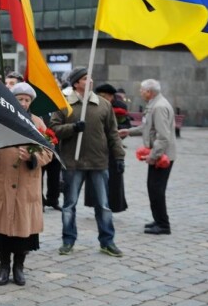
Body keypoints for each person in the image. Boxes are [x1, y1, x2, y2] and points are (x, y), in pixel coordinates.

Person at [0, 82, 53, 286]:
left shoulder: (37, 123)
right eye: (19, 99)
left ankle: (18, 267)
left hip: (26, 185)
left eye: (27, 100)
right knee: (2, 230)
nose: (23, 102)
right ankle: (4, 267)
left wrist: (33, 158)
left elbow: (48, 151)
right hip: (2, 183)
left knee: (24, 230)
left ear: (31, 102)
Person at [49, 67, 125, 257]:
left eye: (90, 77)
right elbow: (53, 129)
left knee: (103, 205)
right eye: (84, 78)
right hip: (73, 163)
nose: (89, 80)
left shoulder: (103, 105)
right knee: (69, 205)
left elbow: (113, 133)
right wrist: (73, 128)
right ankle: (68, 240)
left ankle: (107, 241)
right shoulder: (64, 104)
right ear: (76, 83)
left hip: (98, 162)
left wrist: (119, 156)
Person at [119, 79, 176, 235]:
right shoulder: (155, 104)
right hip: (158, 154)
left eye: (142, 90)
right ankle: (158, 220)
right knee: (153, 189)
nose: (140, 92)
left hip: (161, 156)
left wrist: (153, 155)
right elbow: (146, 127)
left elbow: (163, 136)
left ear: (150, 92)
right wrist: (128, 132)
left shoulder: (159, 107)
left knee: (156, 190)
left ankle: (163, 225)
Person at [86, 83, 129, 213]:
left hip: (112, 148)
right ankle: (96, 203)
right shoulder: (92, 105)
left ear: (111, 97)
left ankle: (113, 205)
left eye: (107, 96)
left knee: (113, 179)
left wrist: (118, 131)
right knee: (95, 177)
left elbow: (126, 123)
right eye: (101, 96)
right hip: (95, 148)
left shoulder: (120, 106)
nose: (104, 99)